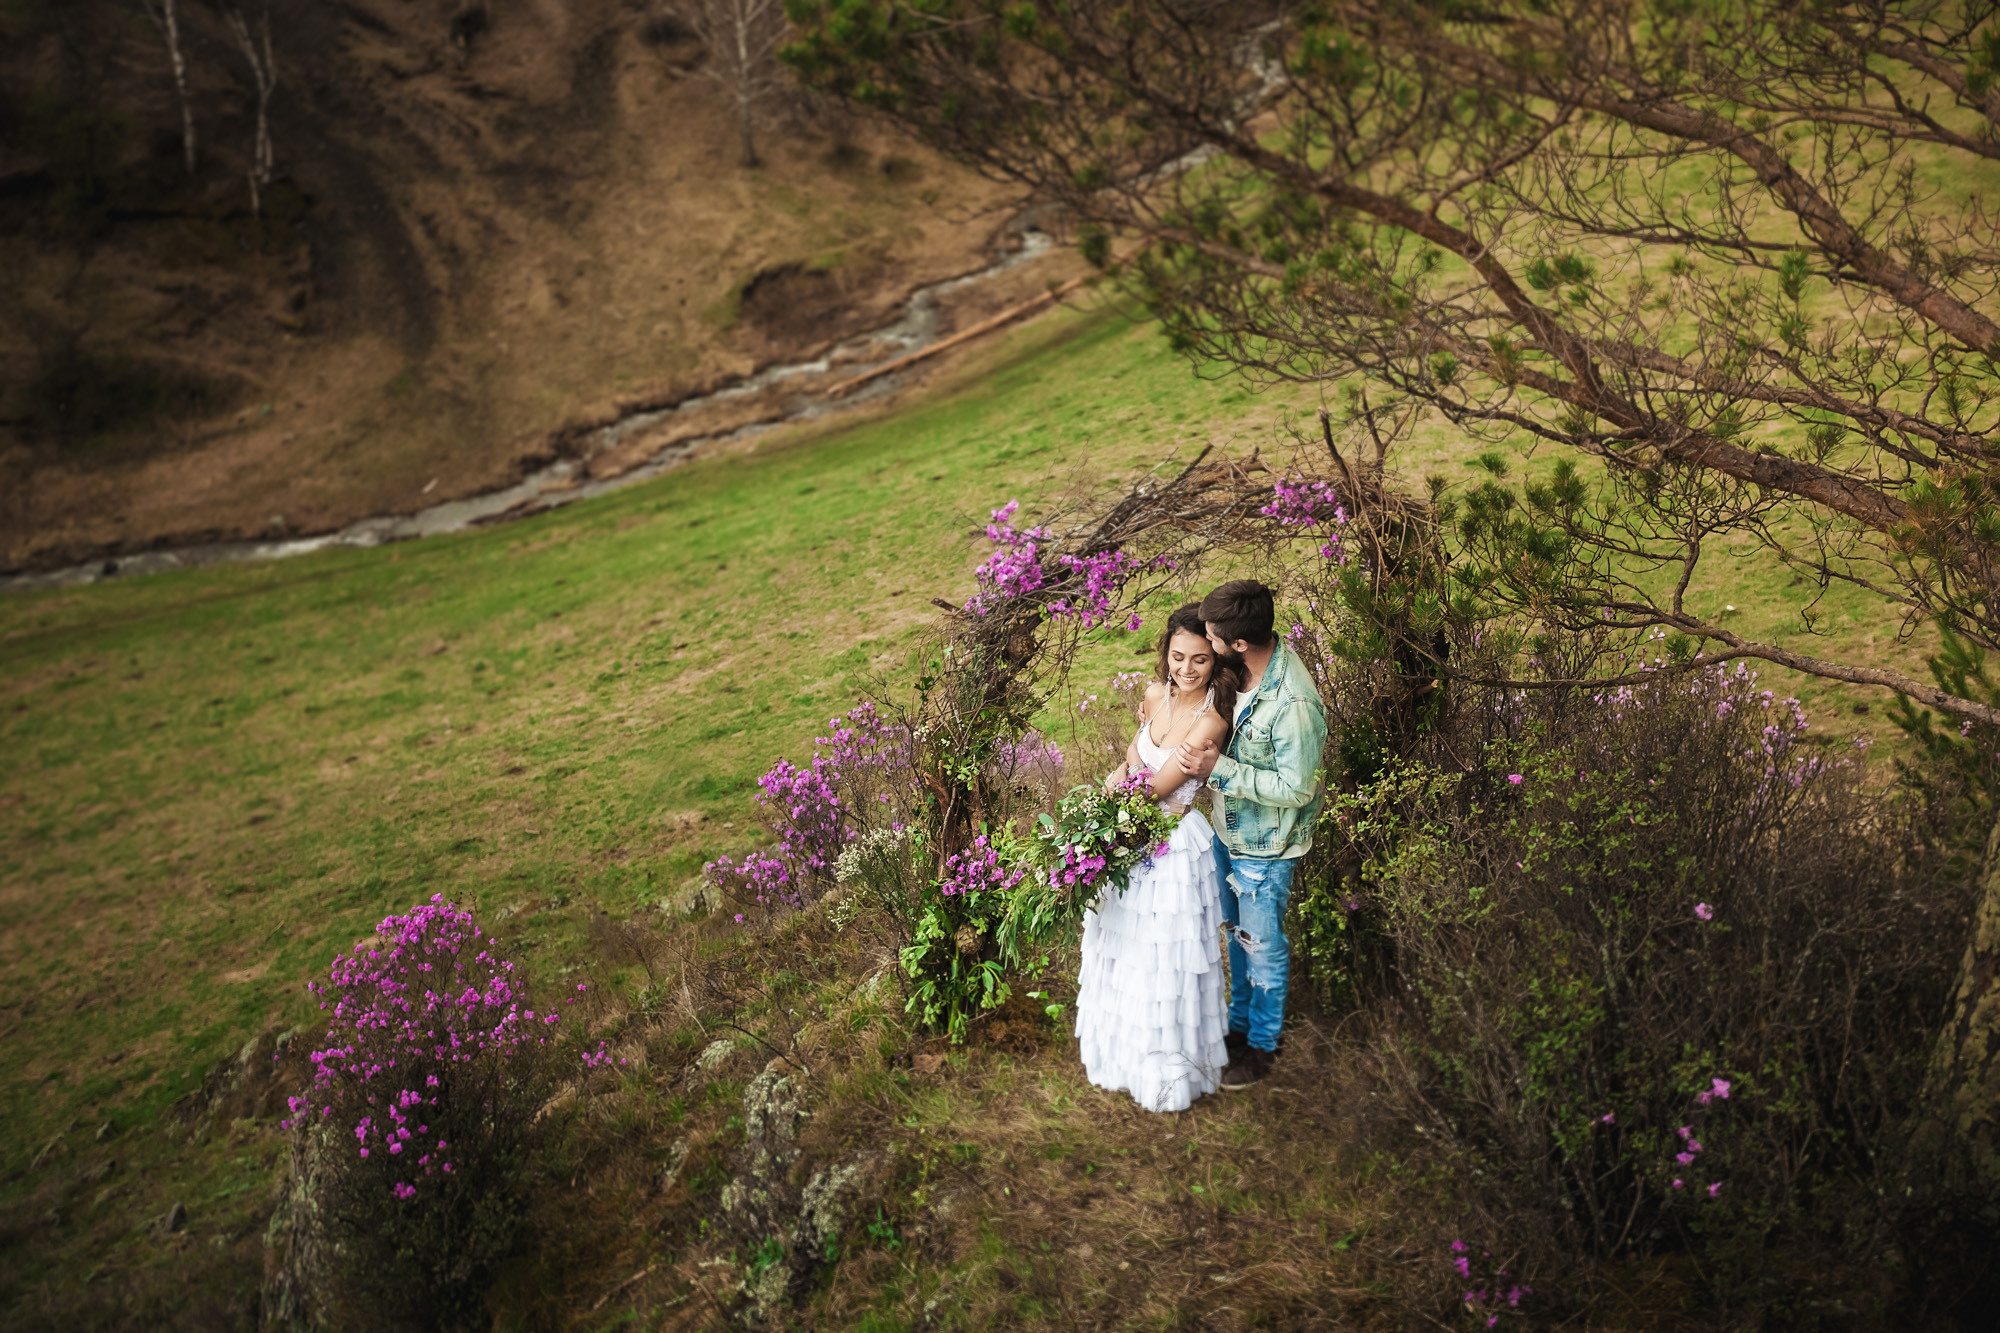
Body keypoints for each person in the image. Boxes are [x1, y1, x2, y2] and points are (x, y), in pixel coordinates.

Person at [1074, 603, 1239, 1112]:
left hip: (1170, 845)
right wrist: (1116, 776)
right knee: (1124, 945)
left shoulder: (1211, 719)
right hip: (1130, 835)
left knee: (1164, 957)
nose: (1186, 670)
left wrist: (1115, 800)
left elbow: (1160, 786)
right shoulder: (1153, 696)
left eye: (1199, 661)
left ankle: (1168, 1072)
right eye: (1177, 657)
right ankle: (1123, 1057)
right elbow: (1134, 758)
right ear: (1164, 654)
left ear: (1215, 662)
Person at [1174, 580, 1328, 1089]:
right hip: (1228, 830)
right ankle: (1237, 1029)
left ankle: (1262, 1046)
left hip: (1265, 848)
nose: (1208, 643)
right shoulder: (1242, 667)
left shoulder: (1292, 703)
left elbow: (1297, 788)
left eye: (1214, 638)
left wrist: (1221, 769)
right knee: (1236, 940)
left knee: (1262, 947)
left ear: (1239, 642)